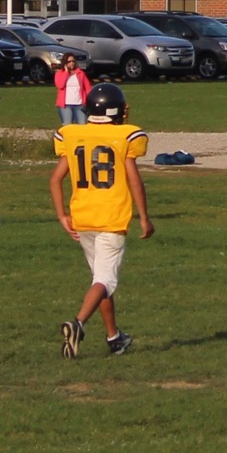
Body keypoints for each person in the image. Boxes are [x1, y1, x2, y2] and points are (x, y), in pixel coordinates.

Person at [51, 83, 153, 359]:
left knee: (100, 279)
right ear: (116, 111)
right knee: (105, 280)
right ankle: (78, 324)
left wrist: (62, 215)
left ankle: (114, 337)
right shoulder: (125, 136)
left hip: (83, 216)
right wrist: (144, 217)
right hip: (111, 217)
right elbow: (134, 179)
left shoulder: (73, 135)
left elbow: (55, 179)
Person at [54, 53, 89, 125]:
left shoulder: (80, 73)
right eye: (69, 62)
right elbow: (60, 85)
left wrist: (88, 101)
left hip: (79, 104)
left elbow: (88, 87)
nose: (71, 63)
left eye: (73, 61)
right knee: (67, 125)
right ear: (65, 63)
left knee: (82, 124)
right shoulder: (59, 73)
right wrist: (66, 73)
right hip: (66, 105)